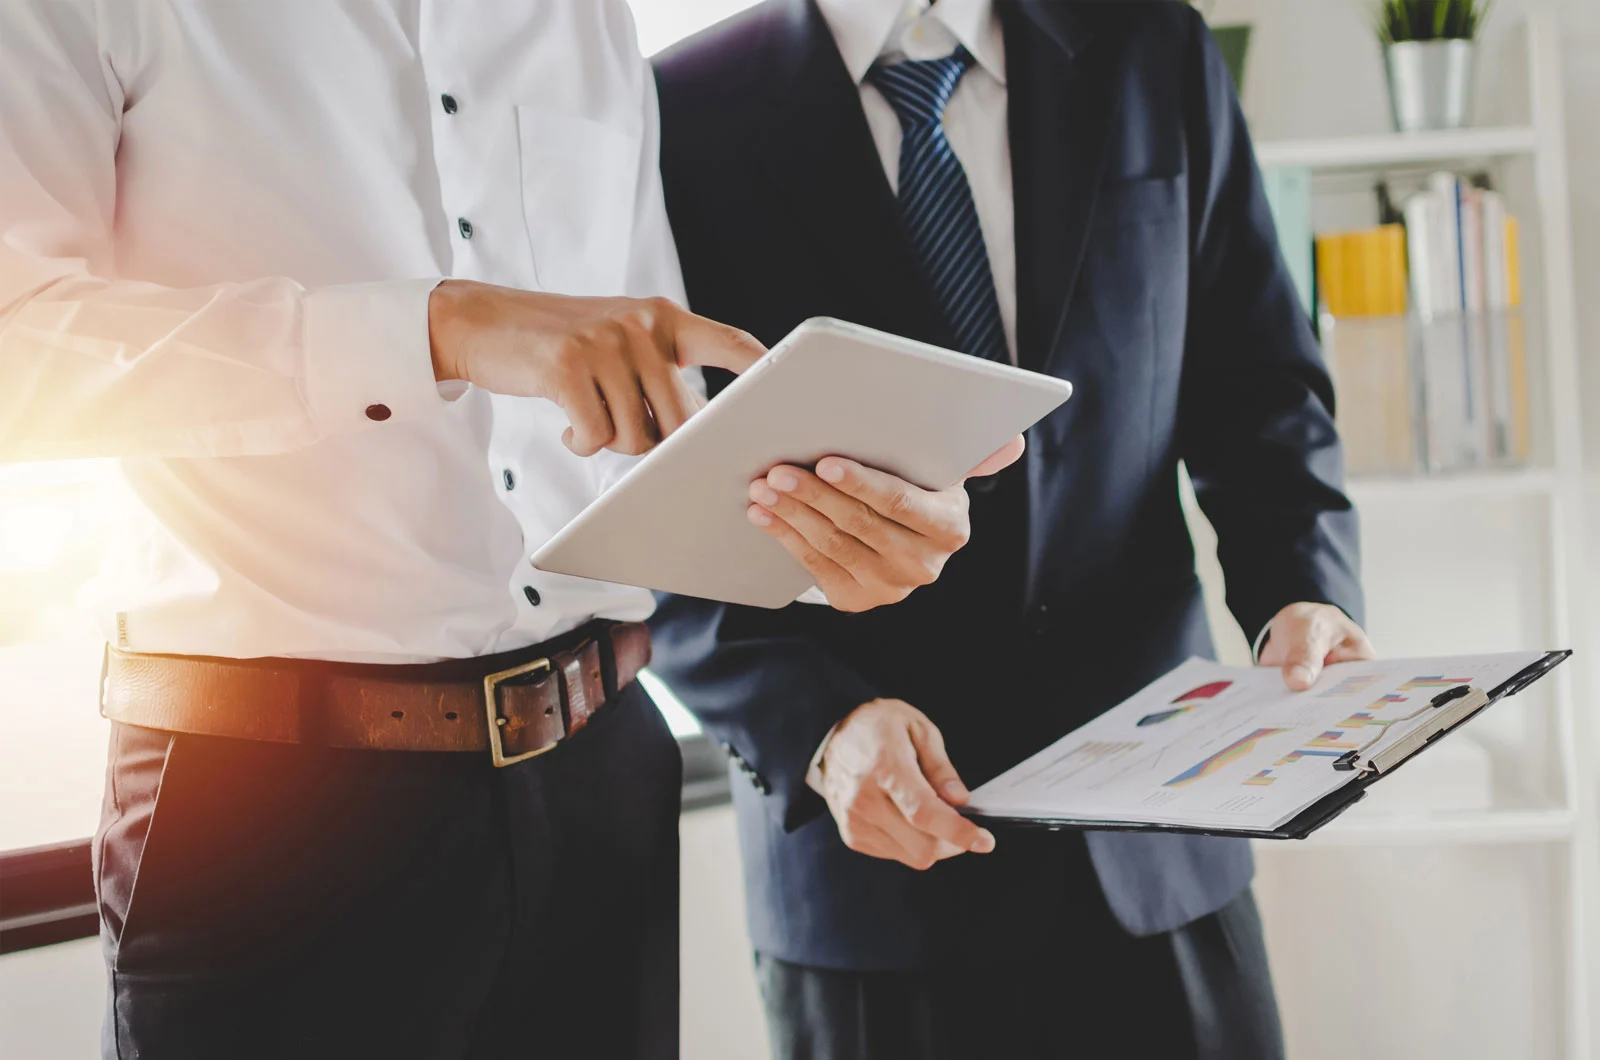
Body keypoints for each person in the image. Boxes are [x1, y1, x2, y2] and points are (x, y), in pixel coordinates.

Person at [0, 3, 1016, 1057]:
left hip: (598, 779)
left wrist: (823, 534)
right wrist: (439, 327)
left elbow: (635, 426)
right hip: (264, 810)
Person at [648, 1, 1374, 1058]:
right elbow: (646, 502)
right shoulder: (680, 104)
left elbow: (1254, 377)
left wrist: (1301, 588)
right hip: (875, 876)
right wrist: (816, 726)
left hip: (1162, 839)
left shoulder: (1149, 42)